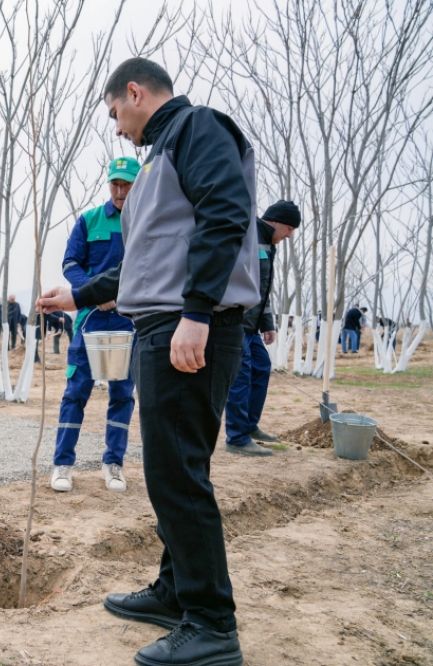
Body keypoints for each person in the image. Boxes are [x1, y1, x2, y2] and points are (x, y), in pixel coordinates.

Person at [38, 57, 260, 666]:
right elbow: (140, 264)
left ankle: (212, 624)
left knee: (176, 474)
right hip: (165, 328)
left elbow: (226, 213)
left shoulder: (196, 128)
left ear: (134, 92)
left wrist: (197, 311)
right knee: (172, 468)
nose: (117, 127)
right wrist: (78, 295)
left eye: (115, 112)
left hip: (190, 330)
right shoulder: (160, 158)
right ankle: (175, 591)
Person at [50, 156, 140, 495]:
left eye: (126, 184)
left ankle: (113, 463)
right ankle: (62, 464)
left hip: (128, 321)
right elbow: (70, 263)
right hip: (90, 319)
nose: (120, 191)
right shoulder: (90, 220)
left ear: (137, 186)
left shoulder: (145, 222)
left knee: (122, 393)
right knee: (75, 392)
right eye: (115, 184)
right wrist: (94, 292)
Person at [224, 200, 300, 457]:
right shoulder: (248, 235)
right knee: (241, 376)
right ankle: (236, 438)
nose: (289, 235)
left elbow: (262, 289)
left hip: (252, 326)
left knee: (261, 367)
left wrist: (267, 324)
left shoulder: (268, 243)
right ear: (275, 222)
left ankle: (249, 425)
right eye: (289, 229)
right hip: (235, 322)